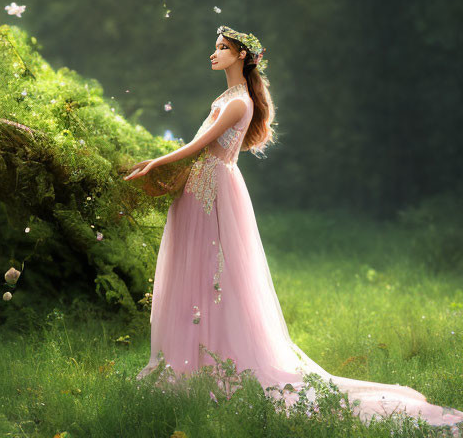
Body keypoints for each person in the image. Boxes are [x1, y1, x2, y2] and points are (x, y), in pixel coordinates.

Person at [124, 25, 463, 429]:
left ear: (241, 56)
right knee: (198, 274)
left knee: (216, 275)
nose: (213, 54)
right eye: (215, 47)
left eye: (222, 48)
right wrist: (172, 176)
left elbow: (201, 145)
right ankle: (190, 364)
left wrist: (158, 162)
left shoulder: (239, 103)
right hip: (201, 186)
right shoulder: (224, 97)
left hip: (214, 189)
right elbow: (202, 147)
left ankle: (215, 363)